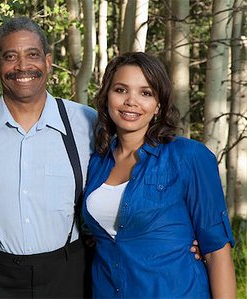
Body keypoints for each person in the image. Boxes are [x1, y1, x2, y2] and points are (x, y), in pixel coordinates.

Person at [82, 52, 236, 298]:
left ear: (159, 105)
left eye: (146, 93)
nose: (131, 101)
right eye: (121, 90)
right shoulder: (96, 162)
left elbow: (217, 252)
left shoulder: (189, 157)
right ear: (107, 96)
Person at [0, 16, 97, 298]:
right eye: (10, 57)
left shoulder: (86, 123)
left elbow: (127, 185)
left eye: (32, 55)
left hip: (69, 272)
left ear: (48, 62)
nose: (23, 66)